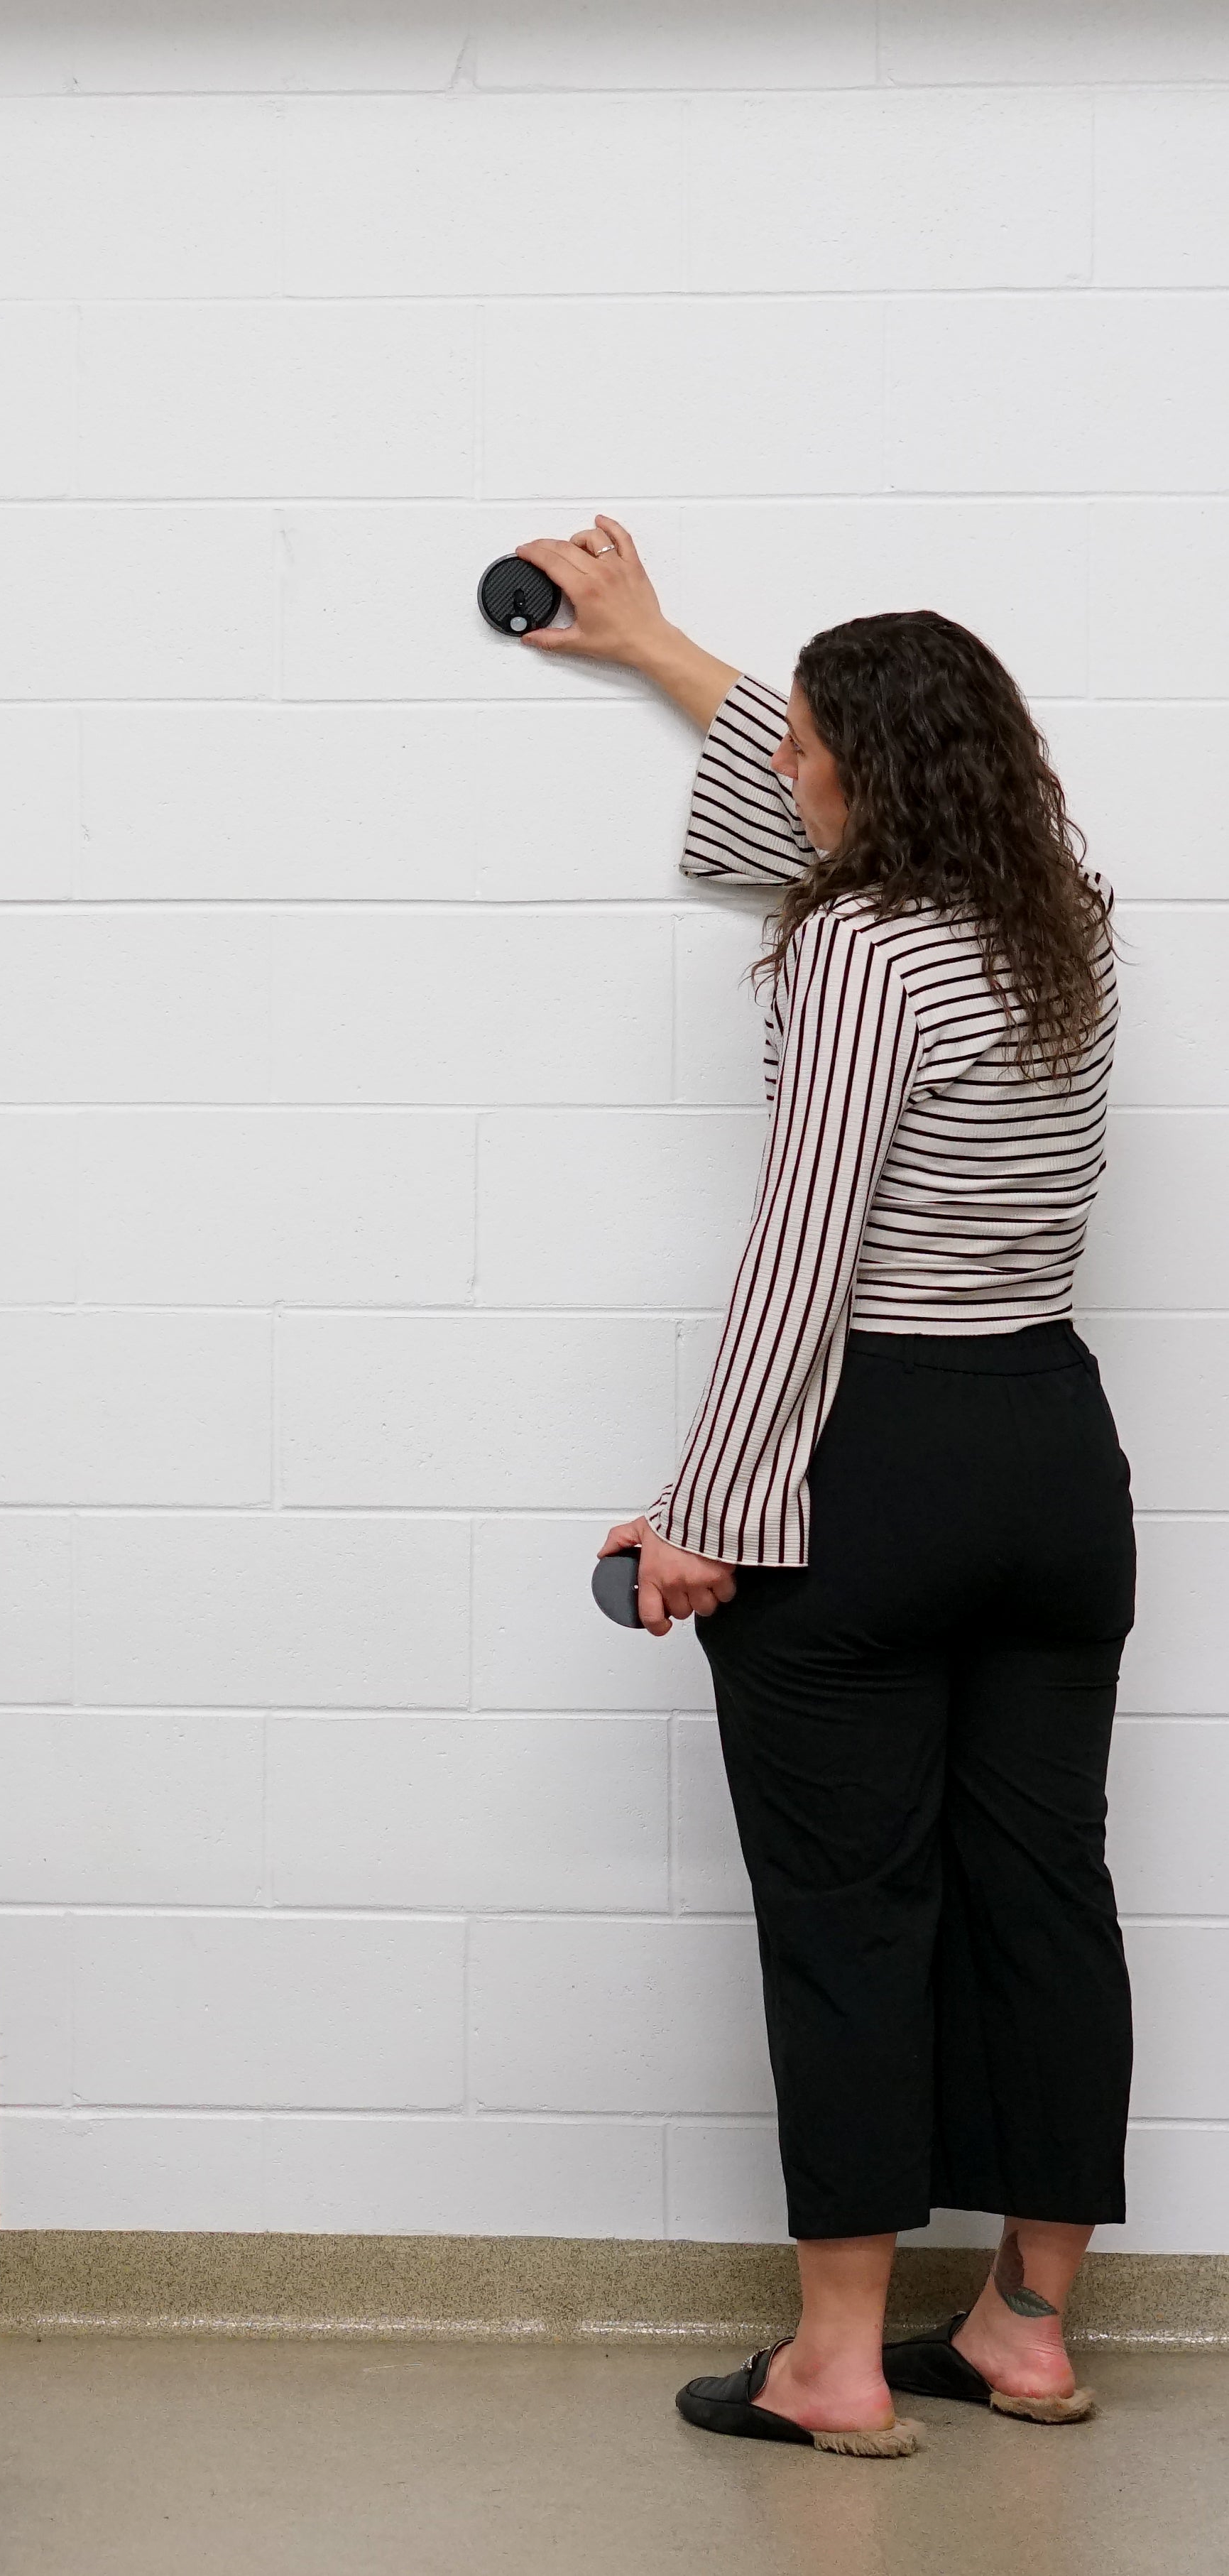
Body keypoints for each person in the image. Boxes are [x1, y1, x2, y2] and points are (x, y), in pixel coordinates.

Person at [527, 520, 1132, 2459]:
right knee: (1041, 1893)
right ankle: (1025, 2327)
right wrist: (657, 650)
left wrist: (704, 1504)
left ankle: (839, 2362)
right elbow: (827, 819)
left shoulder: (858, 953)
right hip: (1053, 1457)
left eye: (799, 741)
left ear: (866, 771)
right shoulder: (1062, 915)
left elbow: (799, 1250)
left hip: (871, 1461)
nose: (778, 765)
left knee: (849, 1911)